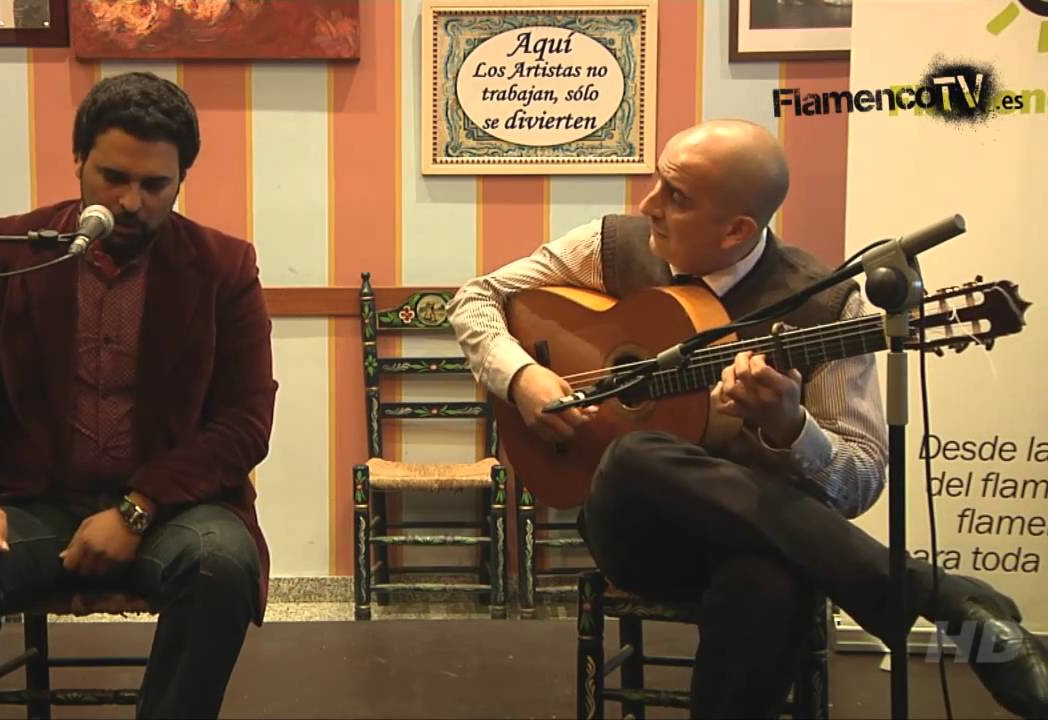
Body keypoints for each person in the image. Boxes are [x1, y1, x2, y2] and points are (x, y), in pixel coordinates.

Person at [447, 119, 1047, 718]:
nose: (647, 205)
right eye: (657, 181)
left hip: (765, 541)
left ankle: (935, 602)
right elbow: (476, 298)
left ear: (737, 229)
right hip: (636, 531)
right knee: (634, 454)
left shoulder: (832, 307)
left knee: (769, 583)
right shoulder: (611, 249)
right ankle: (940, 597)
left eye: (675, 197)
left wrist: (793, 429)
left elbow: (861, 476)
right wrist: (521, 378)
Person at [0, 71, 277, 719]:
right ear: (77, 161)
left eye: (155, 185)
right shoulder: (8, 253)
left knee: (223, 564)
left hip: (170, 514)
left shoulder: (224, 266)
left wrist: (138, 507)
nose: (132, 202)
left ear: (183, 178)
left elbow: (245, 422)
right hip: (33, 506)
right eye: (113, 177)